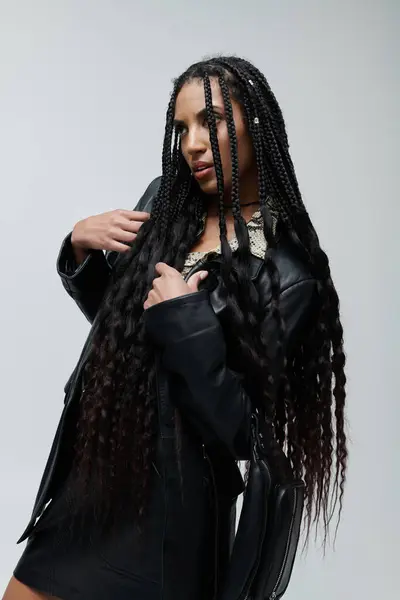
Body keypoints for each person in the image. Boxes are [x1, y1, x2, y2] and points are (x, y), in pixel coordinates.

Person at [3, 55, 348, 600]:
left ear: (254, 124)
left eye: (210, 122)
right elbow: (124, 333)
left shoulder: (287, 273)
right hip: (95, 481)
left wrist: (185, 320)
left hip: (173, 518)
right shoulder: (165, 203)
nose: (191, 143)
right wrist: (80, 251)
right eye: (181, 127)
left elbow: (240, 432)